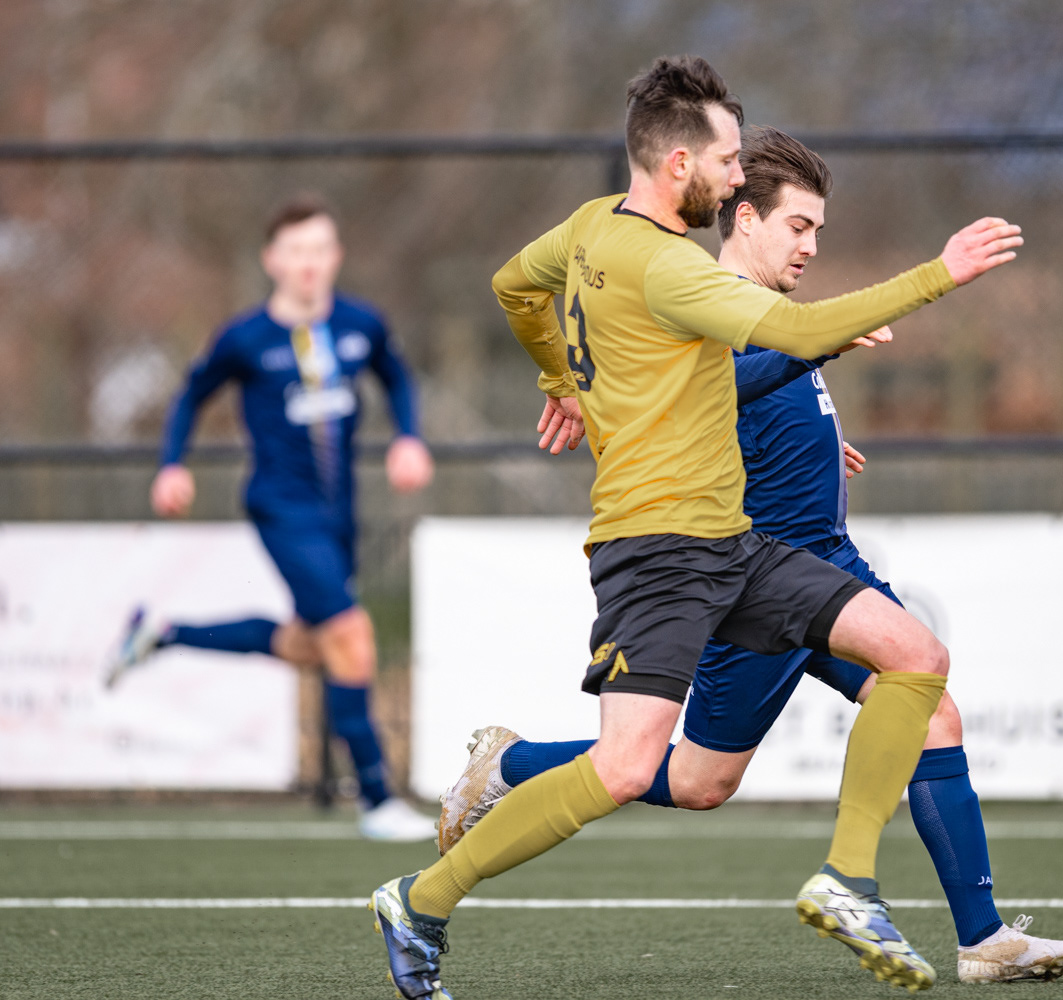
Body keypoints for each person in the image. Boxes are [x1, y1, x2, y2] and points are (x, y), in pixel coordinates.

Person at [370, 55, 1022, 998]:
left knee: (916, 657)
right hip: (658, 556)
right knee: (628, 768)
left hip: (735, 543)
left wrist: (561, 379)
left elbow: (514, 283)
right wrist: (940, 273)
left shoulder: (593, 225)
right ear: (679, 163)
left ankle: (848, 882)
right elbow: (798, 335)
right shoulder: (672, 267)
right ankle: (421, 899)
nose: (735, 175)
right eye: (725, 160)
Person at [103, 195, 436, 843]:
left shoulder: (361, 324)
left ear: (335, 256)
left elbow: (397, 378)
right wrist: (171, 465)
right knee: (351, 637)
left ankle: (164, 633)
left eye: (319, 249)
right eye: (296, 251)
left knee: (312, 644)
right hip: (282, 508)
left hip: (340, 513)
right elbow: (190, 395)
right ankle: (377, 799)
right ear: (272, 261)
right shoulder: (246, 338)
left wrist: (408, 437)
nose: (309, 262)